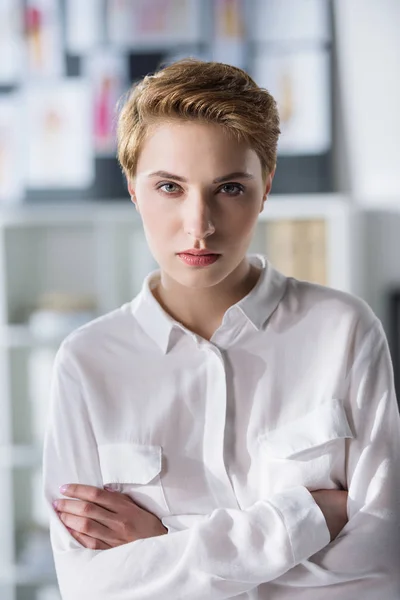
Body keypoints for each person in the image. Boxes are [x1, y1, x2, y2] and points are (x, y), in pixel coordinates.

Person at [42, 59, 400, 600]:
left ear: (266, 188)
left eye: (229, 188)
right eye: (169, 187)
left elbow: (379, 565)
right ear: (134, 189)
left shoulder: (344, 330)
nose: (199, 224)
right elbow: (90, 585)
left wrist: (161, 544)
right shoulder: (87, 362)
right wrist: (308, 516)